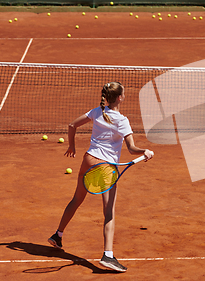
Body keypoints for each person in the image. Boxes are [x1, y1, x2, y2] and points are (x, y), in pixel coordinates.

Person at [48, 81, 154, 273]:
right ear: (120, 98)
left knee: (77, 199)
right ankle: (108, 255)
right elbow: (131, 149)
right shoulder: (122, 120)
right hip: (105, 167)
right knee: (109, 212)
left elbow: (72, 125)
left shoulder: (97, 111)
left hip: (87, 161)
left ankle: (57, 235)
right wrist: (144, 151)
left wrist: (71, 146)